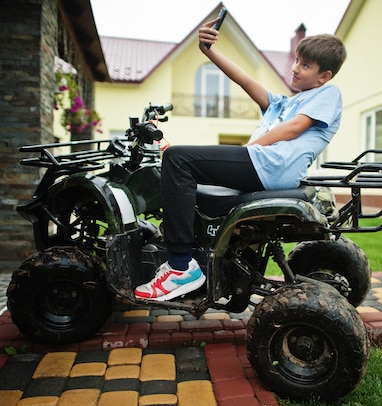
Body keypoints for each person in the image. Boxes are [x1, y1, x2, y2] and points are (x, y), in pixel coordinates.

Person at [134, 18, 347, 301]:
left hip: (270, 166)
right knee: (180, 170)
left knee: (177, 159)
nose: (295, 68)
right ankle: (197, 251)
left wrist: (251, 146)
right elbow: (245, 79)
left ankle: (180, 266)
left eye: (306, 65)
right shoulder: (285, 103)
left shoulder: (328, 94)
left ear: (324, 76)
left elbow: (295, 128)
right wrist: (208, 51)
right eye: (296, 60)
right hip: (263, 163)